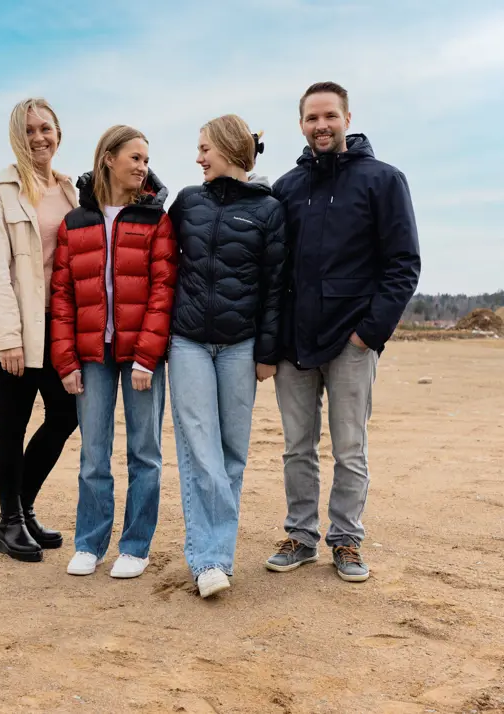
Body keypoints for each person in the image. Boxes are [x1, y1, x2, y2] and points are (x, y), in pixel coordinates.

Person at [265, 82, 421, 582]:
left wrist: (367, 334)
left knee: (350, 448)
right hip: (295, 342)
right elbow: (274, 268)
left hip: (352, 341)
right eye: (312, 118)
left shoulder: (383, 180)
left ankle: (346, 539)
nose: (321, 126)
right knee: (297, 447)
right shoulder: (286, 188)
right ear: (301, 125)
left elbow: (403, 265)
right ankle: (301, 536)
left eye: (330, 116)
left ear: (348, 118)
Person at [167, 115, 286, 598]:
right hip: (188, 340)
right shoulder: (187, 201)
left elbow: (277, 288)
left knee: (232, 453)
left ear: (231, 150)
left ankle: (218, 555)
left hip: (241, 345)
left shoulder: (269, 210)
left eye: (204, 149)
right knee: (201, 449)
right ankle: (208, 561)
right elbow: (159, 252)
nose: (197, 158)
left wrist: (267, 351)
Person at [50, 125, 177, 579]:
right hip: (90, 354)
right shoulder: (76, 222)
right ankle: (89, 543)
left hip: (140, 356)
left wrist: (147, 356)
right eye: (135, 158)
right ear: (109, 158)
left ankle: (136, 547)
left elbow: (164, 291)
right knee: (93, 453)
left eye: (146, 159)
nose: (143, 167)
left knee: (145, 452)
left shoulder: (156, 219)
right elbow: (62, 295)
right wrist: (65, 361)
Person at [0, 97, 79, 563]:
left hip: (58, 327)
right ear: (18, 136)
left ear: (58, 131)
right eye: (30, 130)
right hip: (15, 332)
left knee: (64, 415)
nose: (40, 137)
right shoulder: (0, 193)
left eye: (47, 128)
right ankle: (9, 522)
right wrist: (10, 338)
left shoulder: (70, 189)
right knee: (12, 423)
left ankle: (24, 505)